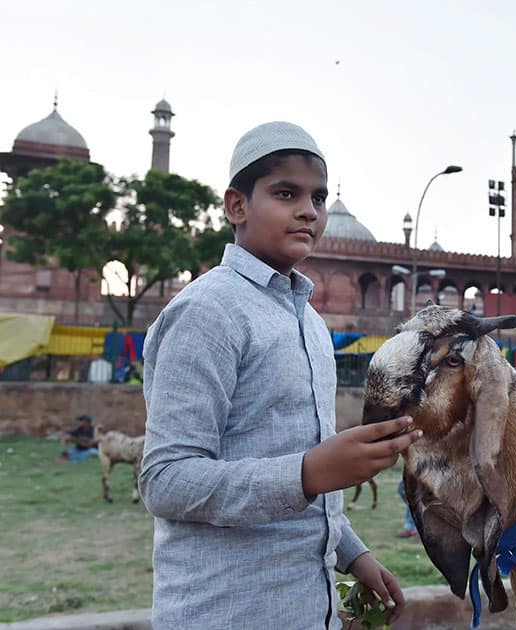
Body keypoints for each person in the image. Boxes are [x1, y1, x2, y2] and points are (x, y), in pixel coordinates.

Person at [139, 122, 421, 628]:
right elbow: (165, 480)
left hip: (308, 608)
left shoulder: (309, 322)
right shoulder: (208, 311)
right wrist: (308, 472)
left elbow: (292, 457)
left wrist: (352, 554)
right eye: (285, 193)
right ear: (237, 206)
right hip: (225, 610)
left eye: (318, 196)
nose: (308, 210)